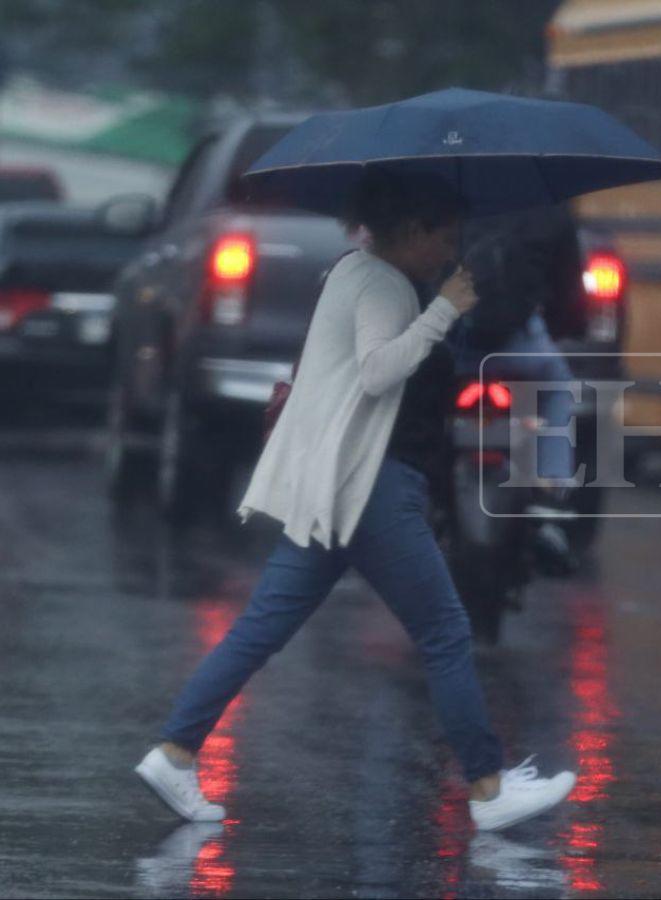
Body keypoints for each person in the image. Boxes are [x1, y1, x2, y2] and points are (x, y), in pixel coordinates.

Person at [134, 171, 576, 831]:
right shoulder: (382, 283)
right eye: (445, 237)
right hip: (373, 485)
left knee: (260, 629)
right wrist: (443, 310)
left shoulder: (352, 270)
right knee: (444, 632)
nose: (449, 251)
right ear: (414, 229)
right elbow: (376, 371)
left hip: (337, 483)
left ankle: (174, 753)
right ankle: (489, 788)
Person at [455, 205, 583, 569]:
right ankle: (550, 500)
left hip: (454, 349)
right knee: (558, 387)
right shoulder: (549, 211)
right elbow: (568, 291)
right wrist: (565, 326)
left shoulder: (449, 196)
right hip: (520, 351)